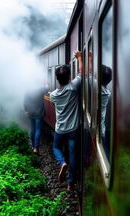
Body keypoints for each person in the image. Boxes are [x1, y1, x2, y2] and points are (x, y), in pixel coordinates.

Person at [50, 51, 83, 191]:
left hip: (60, 129)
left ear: (57, 79)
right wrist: (79, 57)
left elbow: (54, 104)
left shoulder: (53, 95)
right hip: (73, 130)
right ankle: (70, 183)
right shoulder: (73, 88)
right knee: (73, 153)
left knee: (56, 147)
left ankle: (62, 162)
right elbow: (82, 73)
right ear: (70, 77)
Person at [24, 85, 48, 154]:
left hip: (31, 112)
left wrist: (26, 110)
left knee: (33, 129)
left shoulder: (28, 89)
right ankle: (36, 148)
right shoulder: (40, 90)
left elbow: (25, 101)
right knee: (38, 130)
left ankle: (33, 146)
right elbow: (47, 88)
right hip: (39, 113)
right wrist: (45, 84)